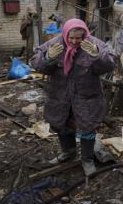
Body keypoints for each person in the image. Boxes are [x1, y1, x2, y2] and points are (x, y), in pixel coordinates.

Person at [31, 18, 117, 176]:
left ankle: (87, 159)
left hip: (86, 96)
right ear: (65, 33)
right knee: (62, 124)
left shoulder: (95, 44)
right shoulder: (54, 44)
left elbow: (110, 65)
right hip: (60, 95)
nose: (75, 41)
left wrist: (97, 56)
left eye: (79, 38)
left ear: (85, 33)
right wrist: (47, 58)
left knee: (87, 126)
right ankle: (68, 153)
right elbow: (37, 65)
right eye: (71, 38)